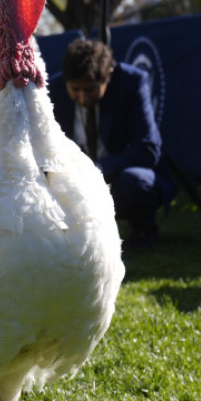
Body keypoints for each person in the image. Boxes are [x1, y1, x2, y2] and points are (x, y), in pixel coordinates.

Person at [50, 38, 175, 248]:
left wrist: (97, 169)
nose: (83, 97)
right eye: (76, 89)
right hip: (71, 181)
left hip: (117, 177)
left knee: (135, 182)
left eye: (90, 89)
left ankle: (142, 230)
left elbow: (148, 148)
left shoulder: (132, 82)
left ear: (108, 76)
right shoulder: (53, 90)